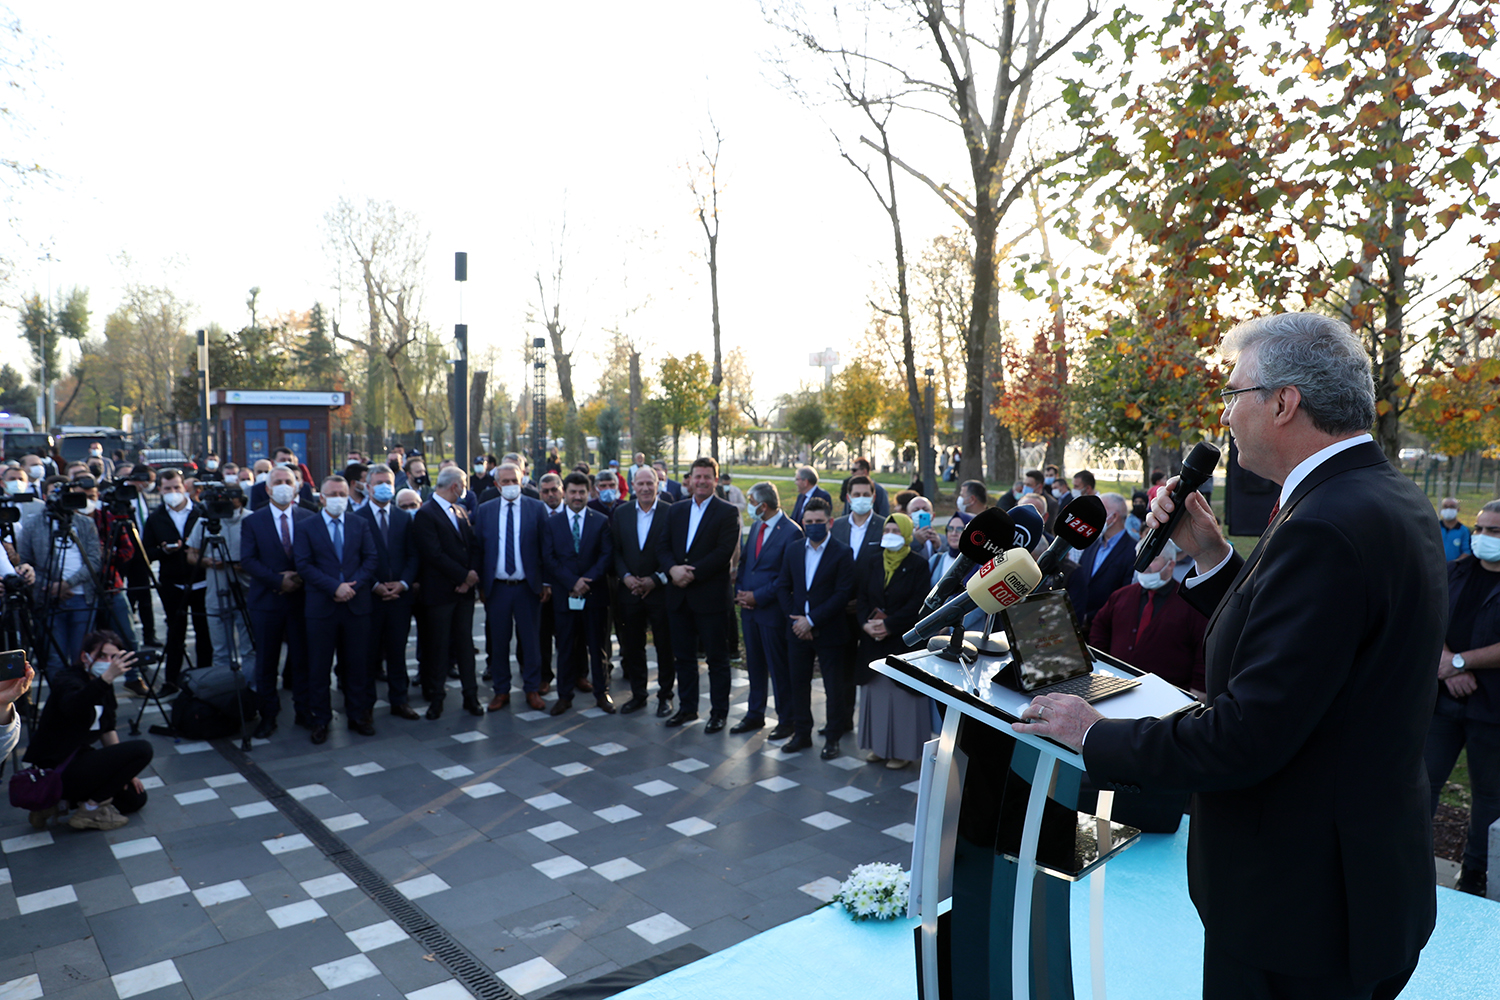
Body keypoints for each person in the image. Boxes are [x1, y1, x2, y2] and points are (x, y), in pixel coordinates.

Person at [1016, 312, 1447, 1000]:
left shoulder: (1328, 524)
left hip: (1300, 909)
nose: (1225, 417)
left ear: (1283, 402)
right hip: (1358, 885)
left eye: (1233, 394)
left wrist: (1095, 734)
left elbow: (1249, 732)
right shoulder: (1381, 496)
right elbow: (1304, 655)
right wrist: (1212, 556)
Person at [1426, 498, 1500, 897]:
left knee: (1489, 796)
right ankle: (1413, 859)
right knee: (1422, 783)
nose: (1483, 537)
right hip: (1442, 700)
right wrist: (1445, 663)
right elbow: (1426, 615)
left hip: (1492, 708)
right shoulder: (1453, 571)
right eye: (1481, 528)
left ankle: (1476, 874)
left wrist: (1458, 661)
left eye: (1494, 531)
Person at [24, 632, 152, 831]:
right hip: (57, 766)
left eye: (114, 658)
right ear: (86, 657)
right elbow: (74, 706)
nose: (109, 663)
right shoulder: (68, 679)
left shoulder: (104, 685)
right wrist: (106, 678)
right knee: (143, 749)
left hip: (80, 760)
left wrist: (126, 768)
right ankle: (89, 811)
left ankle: (56, 804)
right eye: (102, 656)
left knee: (134, 799)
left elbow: (107, 728)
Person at [293, 476, 378, 744]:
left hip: (356, 604)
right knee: (319, 666)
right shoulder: (307, 526)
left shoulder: (359, 523)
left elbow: (371, 558)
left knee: (357, 664)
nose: (338, 498)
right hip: (322, 606)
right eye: (333, 494)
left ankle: (357, 715)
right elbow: (304, 565)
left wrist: (353, 586)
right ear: (322, 497)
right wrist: (334, 587)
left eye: (342, 493)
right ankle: (320, 719)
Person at [657, 456, 740, 730]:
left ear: (715, 480)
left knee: (716, 658)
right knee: (683, 657)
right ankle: (687, 708)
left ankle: (718, 713)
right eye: (697, 476)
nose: (702, 481)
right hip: (678, 597)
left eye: (707, 476)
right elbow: (663, 546)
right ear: (690, 480)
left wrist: (689, 573)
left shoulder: (727, 512)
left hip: (711, 598)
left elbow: (723, 553)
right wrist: (672, 570)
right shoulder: (675, 510)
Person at [241, 466, 317, 738]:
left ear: (297, 486)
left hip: (300, 601)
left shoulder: (309, 517)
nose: (284, 486)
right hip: (266, 602)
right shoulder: (252, 521)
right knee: (266, 662)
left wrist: (296, 579)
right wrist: (277, 580)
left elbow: (315, 556)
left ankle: (304, 711)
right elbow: (248, 560)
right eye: (278, 482)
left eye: (289, 481)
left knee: (301, 660)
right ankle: (268, 715)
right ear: (268, 488)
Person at [776, 498, 855, 754]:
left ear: (829, 522)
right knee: (798, 684)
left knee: (834, 687)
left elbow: (842, 594)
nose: (814, 526)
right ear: (803, 523)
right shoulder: (794, 549)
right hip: (797, 630)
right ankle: (802, 734)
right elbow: (782, 586)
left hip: (830, 630)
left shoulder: (843, 553)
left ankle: (832, 738)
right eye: (809, 522)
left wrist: (811, 620)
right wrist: (797, 620)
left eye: (819, 522)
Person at [855, 514, 932, 767]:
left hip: (901, 643)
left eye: (896, 530)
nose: (890, 533)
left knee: (901, 703)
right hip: (872, 643)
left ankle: (902, 753)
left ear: (908, 535)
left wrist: (888, 625)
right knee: (876, 699)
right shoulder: (872, 561)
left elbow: (917, 605)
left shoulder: (919, 564)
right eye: (887, 529)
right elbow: (862, 597)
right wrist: (866, 625)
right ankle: (879, 747)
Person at [473, 463, 549, 712]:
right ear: (496, 485)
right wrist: (482, 587)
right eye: (504, 482)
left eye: (513, 480)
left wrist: (545, 582)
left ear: (523, 479)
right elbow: (480, 550)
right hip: (498, 588)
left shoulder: (536, 508)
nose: (509, 485)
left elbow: (545, 548)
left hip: (527, 587)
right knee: (499, 641)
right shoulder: (485, 510)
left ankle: (532, 689)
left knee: (530, 641)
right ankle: (501, 690)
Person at [1088, 540, 1207, 698]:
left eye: (1153, 559)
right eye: (1142, 557)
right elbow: (1099, 628)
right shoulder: (1120, 597)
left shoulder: (1190, 604)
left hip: (1168, 697)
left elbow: (1203, 650)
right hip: (1118, 690)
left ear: (1170, 565)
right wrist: (1102, 665)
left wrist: (1197, 692)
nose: (1146, 565)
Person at [411, 467, 482, 718]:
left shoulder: (460, 511)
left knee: (464, 645)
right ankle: (437, 698)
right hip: (440, 593)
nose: (464, 491)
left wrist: (470, 577)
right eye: (463, 486)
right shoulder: (426, 514)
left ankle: (470, 696)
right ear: (455, 486)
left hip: (463, 593)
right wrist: (463, 576)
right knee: (439, 647)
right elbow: (433, 554)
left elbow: (472, 546)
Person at [542, 472, 615, 716]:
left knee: (597, 647)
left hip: (595, 596)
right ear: (565, 492)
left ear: (590, 493)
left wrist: (587, 581)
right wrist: (572, 582)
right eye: (572, 492)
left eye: (582, 492)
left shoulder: (601, 520)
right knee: (565, 647)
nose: (577, 496)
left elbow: (606, 556)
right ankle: (564, 696)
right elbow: (549, 559)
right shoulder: (552, 523)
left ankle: (602, 693)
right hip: (566, 595)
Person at [732, 482, 802, 735]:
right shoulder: (757, 525)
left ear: (763, 505)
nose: (748, 506)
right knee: (755, 665)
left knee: (778, 668)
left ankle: (787, 720)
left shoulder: (791, 531)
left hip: (771, 612)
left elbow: (787, 577)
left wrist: (757, 597)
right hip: (749, 611)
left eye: (751, 501)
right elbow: (747, 563)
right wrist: (741, 592)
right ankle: (755, 714)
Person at [354, 465, 421, 720]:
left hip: (399, 597)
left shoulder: (403, 517)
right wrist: (375, 585)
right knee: (369, 654)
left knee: (397, 651)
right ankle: (366, 705)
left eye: (389, 482)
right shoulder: (358, 517)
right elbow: (355, 558)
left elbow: (413, 555)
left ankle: (399, 700)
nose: (384, 487)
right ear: (368, 487)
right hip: (370, 597)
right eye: (379, 482)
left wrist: (403, 583)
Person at [612, 466, 675, 716]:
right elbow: (616, 550)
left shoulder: (671, 513)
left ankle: (665, 696)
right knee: (632, 645)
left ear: (658, 484)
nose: (646, 488)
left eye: (651, 483)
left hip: (660, 591)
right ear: (633, 486)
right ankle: (638, 694)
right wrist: (626, 577)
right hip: (630, 592)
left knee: (664, 645)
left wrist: (655, 580)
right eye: (641, 484)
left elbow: (675, 552)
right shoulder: (622, 513)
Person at [141, 470, 211, 694]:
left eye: (176, 488)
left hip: (201, 581)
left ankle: (205, 678)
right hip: (172, 583)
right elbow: (147, 552)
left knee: (204, 633)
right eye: (167, 489)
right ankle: (171, 681)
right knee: (175, 634)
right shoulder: (156, 518)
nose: (173, 493)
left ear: (185, 488)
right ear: (160, 490)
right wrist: (163, 550)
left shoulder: (201, 513)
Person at [830, 475, 887, 735]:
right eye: (857, 494)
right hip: (840, 610)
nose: (861, 498)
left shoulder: (885, 526)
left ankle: (869, 726)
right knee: (840, 668)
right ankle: (840, 720)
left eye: (867, 494)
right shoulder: (838, 526)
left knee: (867, 670)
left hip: (870, 613)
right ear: (848, 497)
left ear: (873, 497)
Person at [185, 482, 254, 675]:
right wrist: (207, 561)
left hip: (246, 593)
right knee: (221, 651)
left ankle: (251, 689)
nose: (226, 503)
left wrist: (247, 564)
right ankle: (225, 692)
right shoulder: (205, 521)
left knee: (250, 649)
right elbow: (191, 555)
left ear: (240, 499)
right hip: (216, 592)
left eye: (231, 498)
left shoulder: (253, 520)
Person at [1063, 492, 1133, 629]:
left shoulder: (1132, 550)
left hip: (1104, 628)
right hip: (1078, 625)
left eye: (1099, 512)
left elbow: (1124, 597)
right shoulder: (1091, 544)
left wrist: (1090, 618)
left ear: (1114, 517)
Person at [1439, 497, 1472, 562]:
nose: (1448, 509)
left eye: (1452, 507)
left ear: (1458, 509)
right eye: (1445, 507)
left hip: (1454, 569)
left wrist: (1453, 565)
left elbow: (1467, 552)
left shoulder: (1463, 530)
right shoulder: (1435, 527)